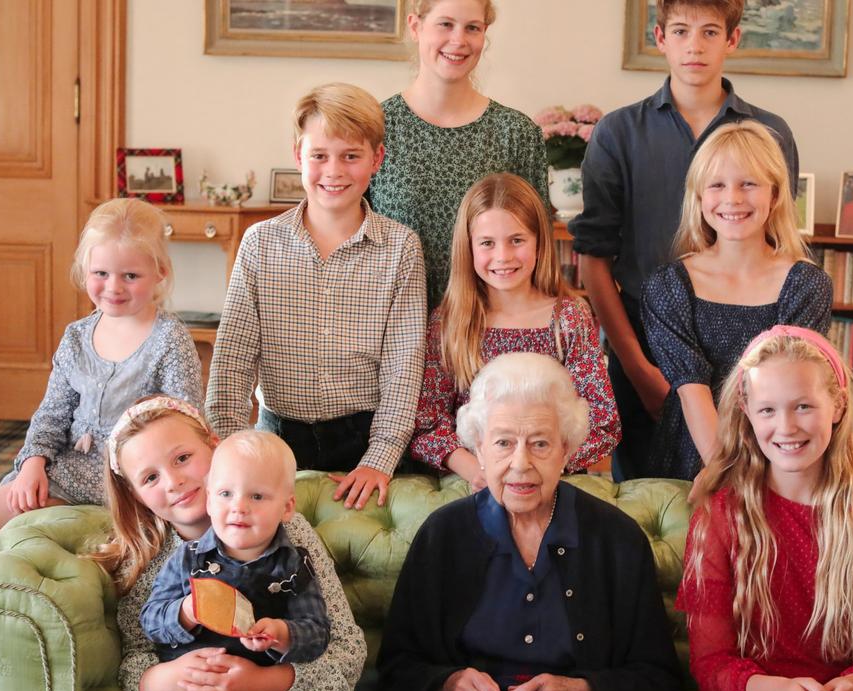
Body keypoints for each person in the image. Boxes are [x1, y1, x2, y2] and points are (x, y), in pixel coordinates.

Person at [0, 199, 204, 691]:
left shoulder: (170, 340)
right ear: (84, 270)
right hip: (65, 470)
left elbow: (183, 418)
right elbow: (51, 413)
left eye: (130, 274)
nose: (113, 286)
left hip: (126, 482)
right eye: (100, 272)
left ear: (160, 273)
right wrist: (33, 463)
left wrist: (144, 472)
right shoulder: (77, 337)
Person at [378, 353, 682, 691]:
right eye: (504, 443)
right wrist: (448, 684)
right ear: (480, 450)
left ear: (566, 450)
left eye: (540, 444)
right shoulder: (443, 536)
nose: (521, 464)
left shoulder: (616, 539)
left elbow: (660, 684)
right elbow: (395, 675)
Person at [570, 0, 799, 481]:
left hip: (746, 345)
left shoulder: (769, 133)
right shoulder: (619, 132)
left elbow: (779, 244)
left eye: (710, 32)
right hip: (643, 347)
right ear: (660, 38)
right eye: (680, 31)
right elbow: (594, 258)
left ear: (733, 40)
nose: (694, 45)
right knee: (645, 499)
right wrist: (637, 369)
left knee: (748, 486)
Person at [206, 82, 427, 511]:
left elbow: (404, 368)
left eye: (351, 156)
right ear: (297, 156)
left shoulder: (401, 248)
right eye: (319, 156)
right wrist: (232, 454)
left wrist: (379, 459)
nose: (334, 171)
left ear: (376, 159)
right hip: (276, 440)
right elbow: (232, 360)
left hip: (363, 441)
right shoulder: (259, 244)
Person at [679, 326, 853, 691]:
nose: (786, 427)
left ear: (838, 406)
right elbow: (711, 665)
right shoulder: (721, 517)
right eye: (768, 410)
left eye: (803, 406)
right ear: (748, 412)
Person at [95, 396, 366, 691]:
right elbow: (135, 663)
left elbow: (344, 651)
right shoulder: (146, 557)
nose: (173, 481)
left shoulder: (286, 532)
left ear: (214, 446)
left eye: (182, 458)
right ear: (135, 493)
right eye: (150, 478)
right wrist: (172, 677)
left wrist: (263, 682)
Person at [642, 121, 830, 486]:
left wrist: (755, 479)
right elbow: (691, 388)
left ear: (775, 196)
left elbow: (790, 388)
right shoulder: (668, 286)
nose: (733, 198)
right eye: (717, 185)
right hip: (692, 456)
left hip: (780, 453)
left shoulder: (807, 285)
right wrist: (724, 474)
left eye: (748, 183)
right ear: (698, 197)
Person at [410, 173, 619, 487]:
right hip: (472, 485)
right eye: (487, 243)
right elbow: (427, 424)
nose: (503, 256)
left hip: (553, 485)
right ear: (469, 247)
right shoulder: (450, 322)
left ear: (539, 242)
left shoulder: (568, 318)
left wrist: (540, 467)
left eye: (517, 240)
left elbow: (603, 422)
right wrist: (476, 471)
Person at [367, 0, 549, 308]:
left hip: (490, 332)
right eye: (445, 24)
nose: (459, 40)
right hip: (393, 328)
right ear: (415, 26)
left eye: (472, 28)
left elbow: (537, 250)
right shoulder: (376, 128)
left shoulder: (517, 134)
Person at [140, 430, 332, 691]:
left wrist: (282, 634)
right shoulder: (188, 559)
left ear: (287, 507)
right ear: (209, 500)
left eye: (257, 496)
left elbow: (318, 632)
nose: (239, 507)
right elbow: (150, 620)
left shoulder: (293, 565)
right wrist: (187, 611)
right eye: (225, 494)